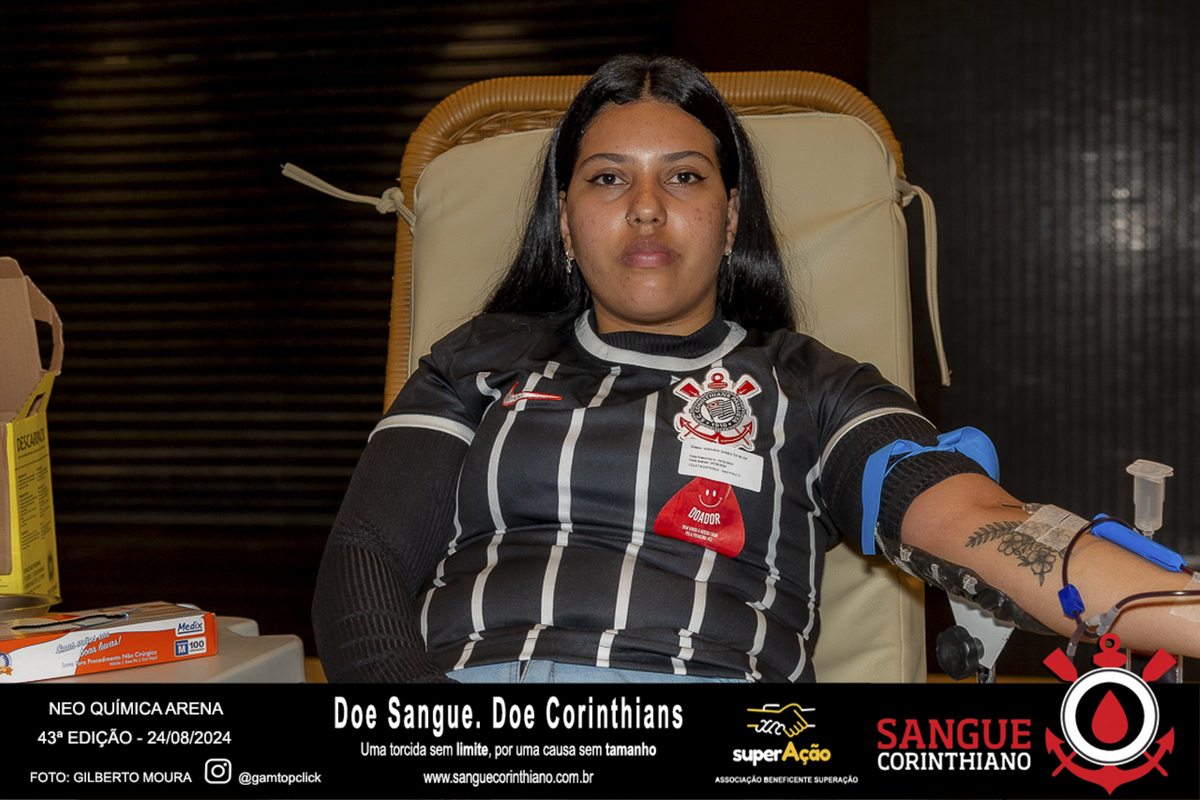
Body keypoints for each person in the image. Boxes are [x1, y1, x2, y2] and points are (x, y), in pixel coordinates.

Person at [312, 54, 1200, 683]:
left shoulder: (814, 385)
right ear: (567, 218)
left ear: (732, 217)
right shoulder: (477, 358)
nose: (648, 209)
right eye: (609, 179)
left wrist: (1171, 606)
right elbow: (367, 559)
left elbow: (976, 522)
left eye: (685, 178)